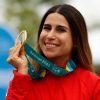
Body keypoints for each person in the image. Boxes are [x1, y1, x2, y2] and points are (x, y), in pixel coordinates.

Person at [5, 4, 100, 100]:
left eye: (61, 30)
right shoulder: (23, 82)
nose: (50, 35)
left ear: (76, 40)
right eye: (47, 28)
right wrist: (21, 73)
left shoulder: (94, 85)